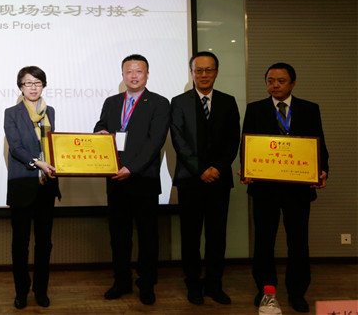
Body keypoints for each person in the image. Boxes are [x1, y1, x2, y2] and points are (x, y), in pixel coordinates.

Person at [240, 62, 328, 313]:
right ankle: (266, 289)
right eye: (270, 81)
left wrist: (323, 170)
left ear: (293, 83)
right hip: (264, 188)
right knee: (264, 242)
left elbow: (319, 143)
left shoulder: (309, 109)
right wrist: (246, 169)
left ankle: (297, 292)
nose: (275, 85)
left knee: (298, 242)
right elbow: (246, 143)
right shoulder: (255, 109)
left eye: (281, 81)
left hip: (297, 189)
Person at [93, 54, 170, 305]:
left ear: (147, 74)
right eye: (129, 71)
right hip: (116, 178)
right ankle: (121, 281)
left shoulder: (159, 103)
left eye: (138, 71)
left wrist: (132, 168)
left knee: (148, 237)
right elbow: (101, 125)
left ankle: (146, 284)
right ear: (122, 75)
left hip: (143, 179)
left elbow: (155, 141)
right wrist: (99, 133)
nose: (134, 76)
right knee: (119, 236)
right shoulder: (112, 102)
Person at [170, 51, 240, 305]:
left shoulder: (228, 102)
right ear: (192, 73)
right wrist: (201, 169)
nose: (203, 75)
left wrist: (217, 168)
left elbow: (233, 140)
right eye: (198, 70)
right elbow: (179, 140)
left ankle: (214, 284)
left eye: (208, 70)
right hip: (190, 180)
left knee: (217, 236)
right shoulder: (179, 102)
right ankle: (193, 284)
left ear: (216, 72)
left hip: (219, 179)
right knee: (190, 236)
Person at [4, 66, 60, 309]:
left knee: (44, 243)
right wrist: (37, 162)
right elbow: (15, 148)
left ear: (43, 85)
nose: (33, 87)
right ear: (21, 87)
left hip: (46, 185)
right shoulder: (11, 113)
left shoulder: (50, 111)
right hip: (22, 185)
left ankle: (40, 290)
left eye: (37, 83)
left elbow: (55, 145)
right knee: (20, 243)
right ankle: (21, 291)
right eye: (28, 83)